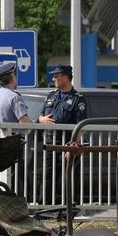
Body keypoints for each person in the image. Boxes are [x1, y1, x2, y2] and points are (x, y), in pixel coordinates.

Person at [37, 65, 88, 205]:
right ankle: (44, 207)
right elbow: (40, 116)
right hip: (50, 143)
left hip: (66, 145)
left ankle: (70, 208)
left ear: (65, 76)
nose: (53, 78)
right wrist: (42, 119)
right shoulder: (52, 95)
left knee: (69, 178)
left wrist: (73, 146)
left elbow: (80, 125)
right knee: (47, 176)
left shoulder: (78, 99)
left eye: (56, 76)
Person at [0, 62, 31, 132]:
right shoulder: (14, 97)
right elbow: (25, 123)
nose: (16, 77)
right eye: (14, 75)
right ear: (12, 79)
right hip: (10, 139)